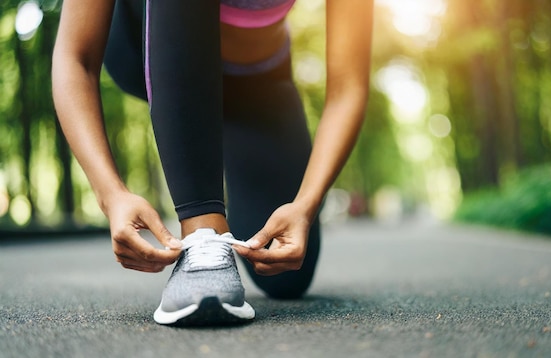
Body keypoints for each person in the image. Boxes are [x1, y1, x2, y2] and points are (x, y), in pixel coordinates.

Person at [52, 0, 373, 326]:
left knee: (286, 278)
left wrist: (306, 204)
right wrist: (111, 194)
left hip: (255, 81)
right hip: (144, 46)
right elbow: (74, 57)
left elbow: (348, 88)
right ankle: (202, 236)